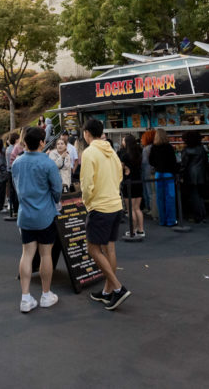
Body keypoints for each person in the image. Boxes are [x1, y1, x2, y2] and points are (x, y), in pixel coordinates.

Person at [80, 118, 130, 310]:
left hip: (99, 207)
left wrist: (88, 203)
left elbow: (86, 184)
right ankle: (108, 291)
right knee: (109, 248)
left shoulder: (89, 152)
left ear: (86, 133)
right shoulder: (112, 151)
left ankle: (117, 288)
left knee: (93, 249)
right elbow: (119, 176)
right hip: (115, 204)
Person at [12, 126, 61, 313]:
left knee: (27, 254)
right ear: (42, 142)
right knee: (45, 254)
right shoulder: (48, 163)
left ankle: (25, 298)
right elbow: (56, 190)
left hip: (25, 215)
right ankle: (46, 294)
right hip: (45, 214)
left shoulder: (17, 162)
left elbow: (17, 188)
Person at [117, 135, 145, 239]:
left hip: (129, 183)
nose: (122, 142)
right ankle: (141, 230)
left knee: (130, 209)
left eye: (123, 140)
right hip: (138, 181)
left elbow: (120, 168)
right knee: (137, 208)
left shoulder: (125, 155)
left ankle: (133, 230)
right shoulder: (139, 152)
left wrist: (125, 169)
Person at [150, 129, 178, 226]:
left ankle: (162, 220)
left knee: (160, 198)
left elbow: (150, 161)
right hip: (168, 174)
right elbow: (173, 162)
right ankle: (171, 220)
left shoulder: (154, 147)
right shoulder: (169, 147)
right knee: (170, 197)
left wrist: (157, 165)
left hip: (158, 174)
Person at [180, 131, 207, 224]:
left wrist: (181, 175)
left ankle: (198, 217)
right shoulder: (201, 148)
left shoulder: (186, 150)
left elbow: (184, 165)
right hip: (201, 175)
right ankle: (203, 216)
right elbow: (206, 161)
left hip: (191, 176)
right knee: (200, 196)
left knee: (194, 196)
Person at [140, 129, 156, 217]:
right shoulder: (154, 147)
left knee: (149, 191)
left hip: (147, 172)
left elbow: (144, 162)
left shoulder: (146, 149)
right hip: (153, 172)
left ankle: (150, 208)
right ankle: (152, 208)